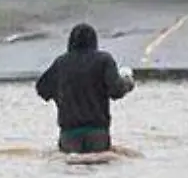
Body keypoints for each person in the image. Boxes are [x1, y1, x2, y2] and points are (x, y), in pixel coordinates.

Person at [35, 23, 135, 154]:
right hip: (98, 132)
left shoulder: (61, 63)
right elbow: (116, 91)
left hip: (69, 134)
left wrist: (61, 96)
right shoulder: (104, 60)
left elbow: (42, 89)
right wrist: (128, 83)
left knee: (70, 164)